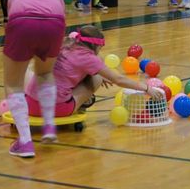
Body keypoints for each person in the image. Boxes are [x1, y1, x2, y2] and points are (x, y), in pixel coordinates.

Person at [25, 25, 164, 119]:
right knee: (97, 78)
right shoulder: (88, 57)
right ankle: (82, 103)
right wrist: (147, 88)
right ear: (96, 46)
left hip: (30, 104)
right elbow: (119, 80)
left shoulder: (64, 44)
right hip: (54, 109)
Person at [4, 0, 66, 158]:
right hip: (55, 23)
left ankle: (25, 141)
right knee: (45, 73)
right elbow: (61, 14)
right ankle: (49, 125)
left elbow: (11, 18)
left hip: (22, 20)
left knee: (13, 84)